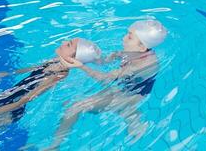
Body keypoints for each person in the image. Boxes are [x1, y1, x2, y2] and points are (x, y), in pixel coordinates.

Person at [0, 38, 101, 151]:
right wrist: (9, 73)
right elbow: (31, 69)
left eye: (68, 45)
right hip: (7, 97)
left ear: (73, 58)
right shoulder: (53, 61)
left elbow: (23, 101)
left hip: (10, 111)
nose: (63, 42)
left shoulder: (60, 75)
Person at [48, 19, 167, 150]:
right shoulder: (136, 50)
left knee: (75, 107)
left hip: (131, 95)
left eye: (129, 37)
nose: (124, 38)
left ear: (142, 47)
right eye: (127, 33)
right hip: (124, 87)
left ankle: (54, 147)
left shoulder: (144, 65)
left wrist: (81, 67)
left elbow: (105, 79)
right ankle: (131, 115)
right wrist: (97, 59)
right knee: (71, 103)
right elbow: (111, 58)